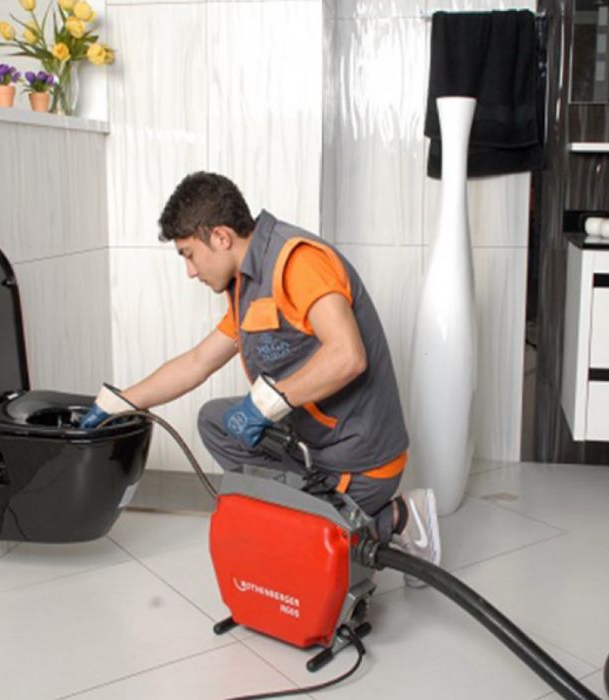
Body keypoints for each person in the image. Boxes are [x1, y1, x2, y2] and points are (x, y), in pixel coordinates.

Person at [80, 172, 440, 586]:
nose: (190, 272)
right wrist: (121, 402)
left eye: (189, 255)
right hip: (315, 446)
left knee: (295, 559)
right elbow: (198, 361)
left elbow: (348, 356)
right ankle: (308, 512)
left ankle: (398, 517)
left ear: (220, 237)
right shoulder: (248, 283)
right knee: (215, 421)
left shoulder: (297, 262)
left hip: (359, 459)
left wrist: (266, 405)